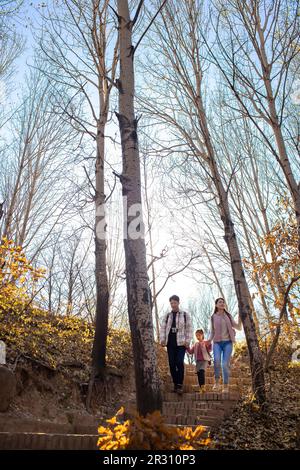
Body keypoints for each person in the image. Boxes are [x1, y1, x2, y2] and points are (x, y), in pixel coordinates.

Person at [160, 295, 193, 395]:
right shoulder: (167, 316)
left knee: (179, 362)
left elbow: (189, 329)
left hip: (181, 343)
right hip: (170, 343)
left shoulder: (184, 315)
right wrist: (162, 340)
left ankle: (179, 385)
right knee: (171, 363)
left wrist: (187, 341)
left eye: (175, 302)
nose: (173, 305)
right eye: (171, 303)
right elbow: (163, 328)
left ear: (178, 303)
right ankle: (175, 384)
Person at [208, 297, 242, 393]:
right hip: (217, 343)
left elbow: (238, 327)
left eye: (223, 302)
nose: (222, 303)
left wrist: (240, 318)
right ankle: (217, 383)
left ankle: (226, 386)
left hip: (228, 342)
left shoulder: (228, 316)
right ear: (216, 305)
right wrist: (208, 340)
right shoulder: (213, 317)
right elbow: (212, 332)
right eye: (220, 302)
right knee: (217, 361)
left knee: (225, 364)